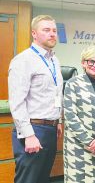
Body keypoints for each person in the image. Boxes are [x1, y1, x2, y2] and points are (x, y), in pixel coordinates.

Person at [8, 15, 63, 183]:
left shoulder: (54, 60)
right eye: (46, 30)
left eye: (54, 30)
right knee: (28, 180)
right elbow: (17, 102)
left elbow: (55, 93)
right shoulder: (23, 60)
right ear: (34, 33)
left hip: (50, 130)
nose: (52, 34)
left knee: (42, 179)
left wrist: (58, 120)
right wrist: (28, 135)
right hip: (33, 130)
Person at [63, 46, 95, 183]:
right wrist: (89, 141)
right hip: (78, 145)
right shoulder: (72, 84)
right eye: (91, 61)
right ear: (83, 63)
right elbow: (70, 116)